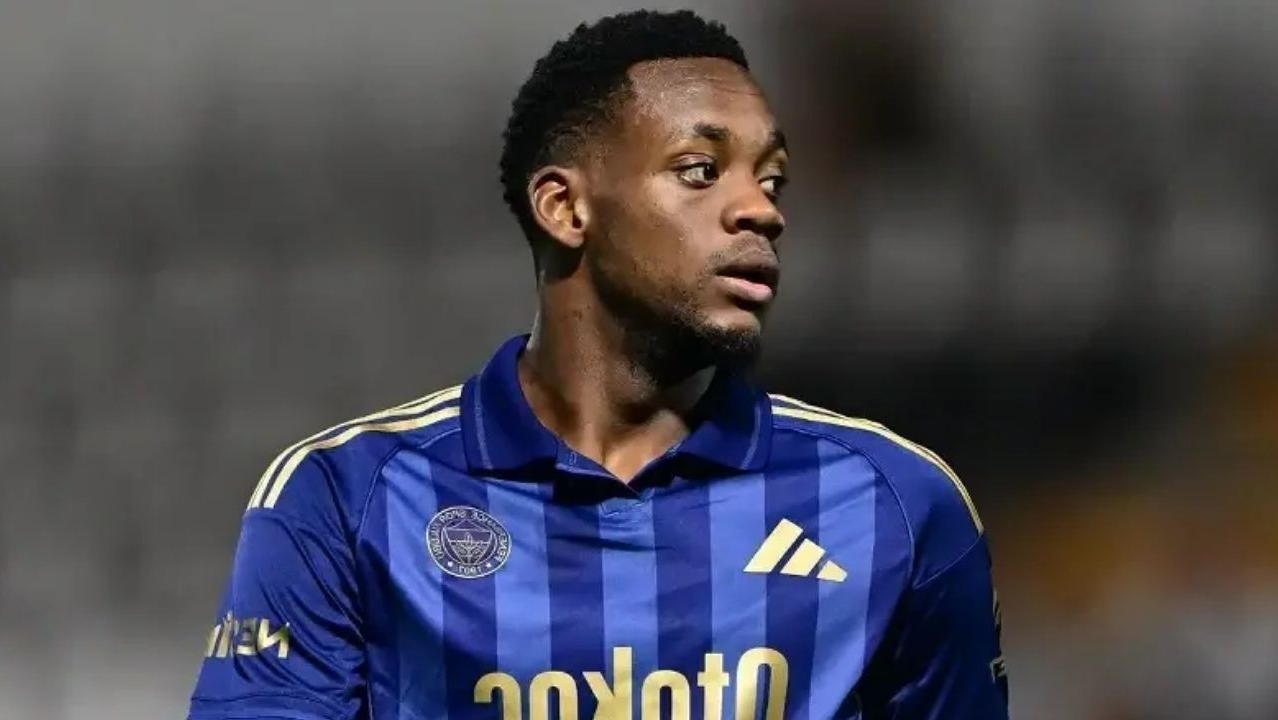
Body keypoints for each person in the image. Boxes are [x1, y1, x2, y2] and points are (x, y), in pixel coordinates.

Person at [187, 9, 1008, 720]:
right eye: (700, 170)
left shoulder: (897, 505)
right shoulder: (346, 499)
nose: (760, 208)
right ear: (565, 207)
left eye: (773, 179)